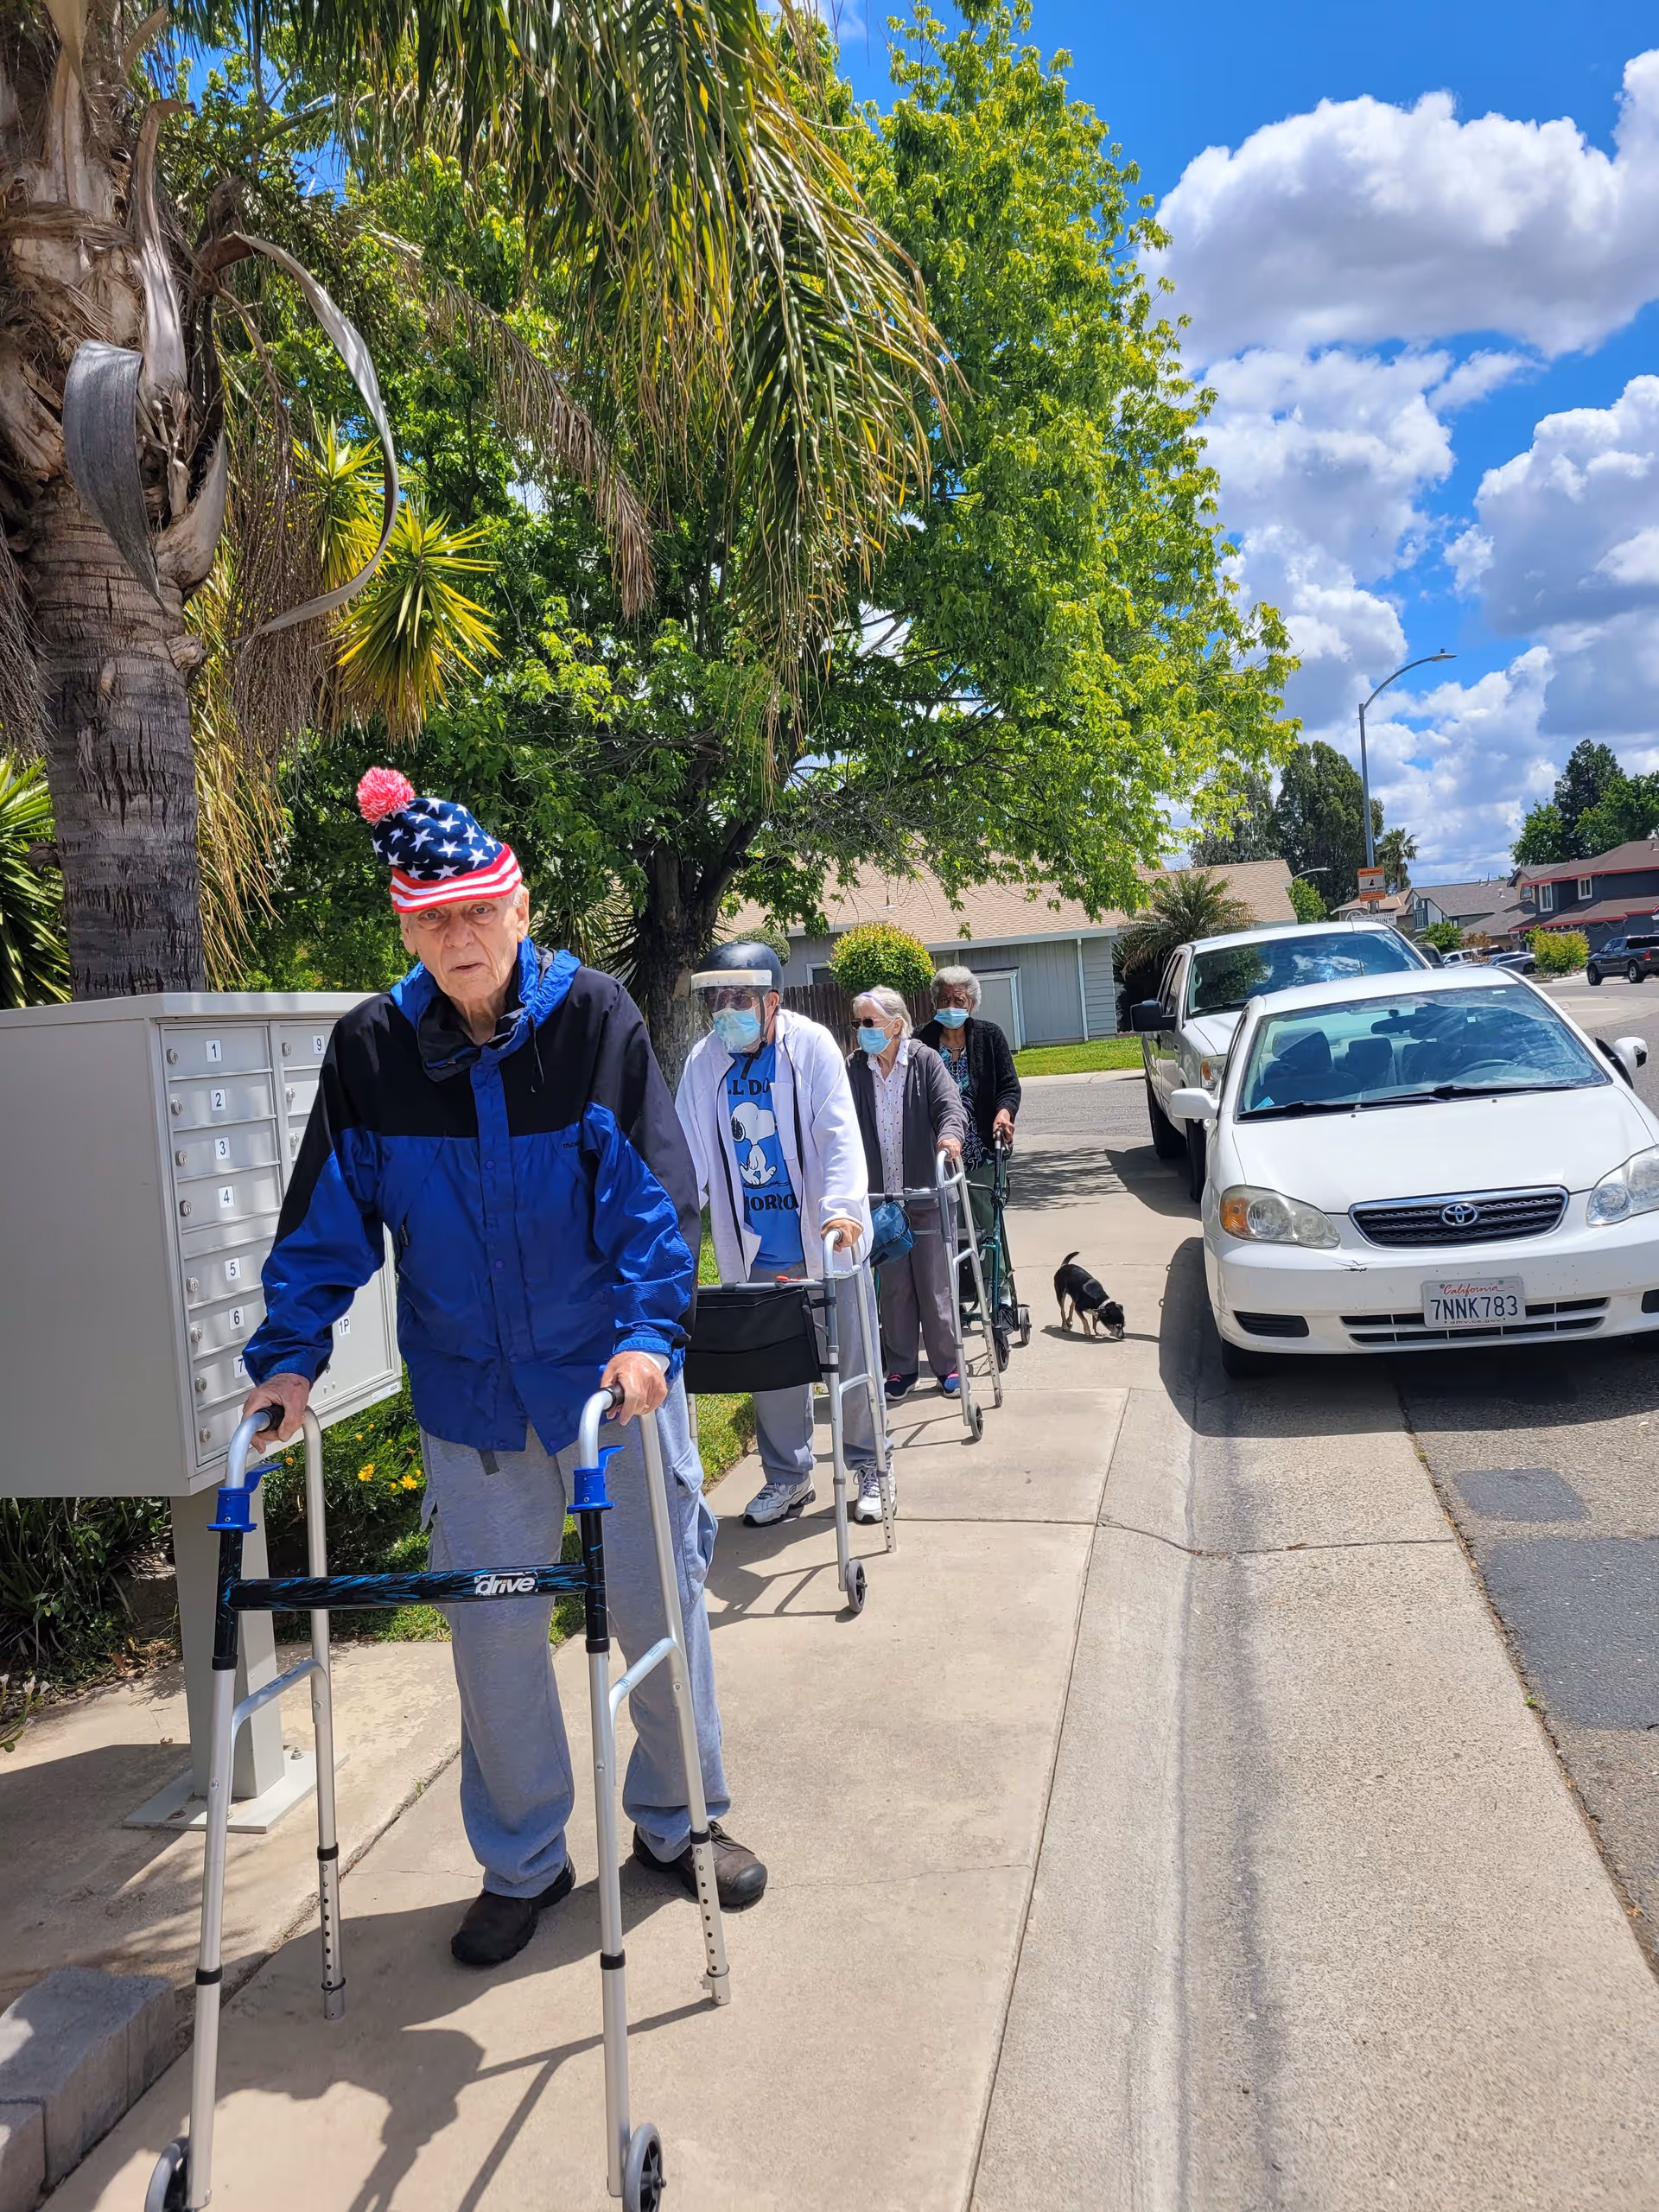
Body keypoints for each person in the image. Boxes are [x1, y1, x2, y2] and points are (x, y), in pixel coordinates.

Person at [238, 766, 765, 1972]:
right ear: (406, 931)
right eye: (434, 920)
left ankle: (683, 1824)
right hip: (471, 1396)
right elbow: (327, 1220)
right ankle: (523, 1862)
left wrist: (647, 1335)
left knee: (658, 1606)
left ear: (520, 910)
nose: (461, 938)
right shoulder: (372, 1049)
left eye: (480, 912)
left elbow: (650, 1201)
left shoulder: (594, 1020)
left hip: (605, 1391)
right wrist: (288, 1362)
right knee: (494, 1640)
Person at [675, 942, 881, 1525]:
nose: (726, 1010)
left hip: (827, 1241)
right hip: (757, 1248)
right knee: (772, 1373)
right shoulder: (704, 1062)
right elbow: (688, 1156)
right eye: (718, 999)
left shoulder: (810, 1046)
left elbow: (839, 1135)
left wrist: (841, 1210)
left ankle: (870, 1468)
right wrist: (672, 1220)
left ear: (773, 1001)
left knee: (855, 1366)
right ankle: (789, 1478)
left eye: (740, 999)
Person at [845, 988, 966, 1413]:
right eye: (858, 1023)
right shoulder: (855, 1069)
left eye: (868, 1023)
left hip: (926, 1193)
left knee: (934, 1284)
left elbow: (950, 1105)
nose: (861, 1032)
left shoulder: (924, 1060)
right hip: (882, 1198)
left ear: (896, 1025)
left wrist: (949, 1136)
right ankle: (901, 1366)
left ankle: (948, 1364)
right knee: (894, 1288)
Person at [915, 964, 1022, 1292]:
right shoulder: (920, 1041)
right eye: (944, 999)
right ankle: (951, 1292)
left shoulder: (989, 1036)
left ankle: (999, 1292)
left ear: (971, 1003)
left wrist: (1004, 1114)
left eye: (958, 1000)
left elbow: (1009, 1086)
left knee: (988, 1226)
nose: (951, 1007)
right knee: (945, 1230)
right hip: (937, 1154)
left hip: (981, 1152)